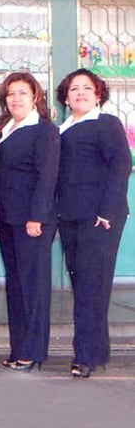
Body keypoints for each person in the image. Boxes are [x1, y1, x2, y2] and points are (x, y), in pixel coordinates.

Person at [55, 69, 131, 378]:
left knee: (91, 288)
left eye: (88, 88)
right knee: (84, 287)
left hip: (98, 219)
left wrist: (107, 212)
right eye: (75, 89)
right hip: (70, 217)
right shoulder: (63, 128)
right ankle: (97, 352)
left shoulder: (106, 124)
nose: (81, 93)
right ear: (66, 96)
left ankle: (84, 356)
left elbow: (121, 165)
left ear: (98, 95)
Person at [0, 72, 59, 373]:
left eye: (22, 93)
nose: (16, 99)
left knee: (33, 287)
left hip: (32, 220)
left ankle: (33, 352)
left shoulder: (44, 130)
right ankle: (18, 347)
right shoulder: (4, 128)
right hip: (7, 219)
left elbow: (47, 177)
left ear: (35, 96)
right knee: (16, 286)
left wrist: (37, 216)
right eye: (10, 94)